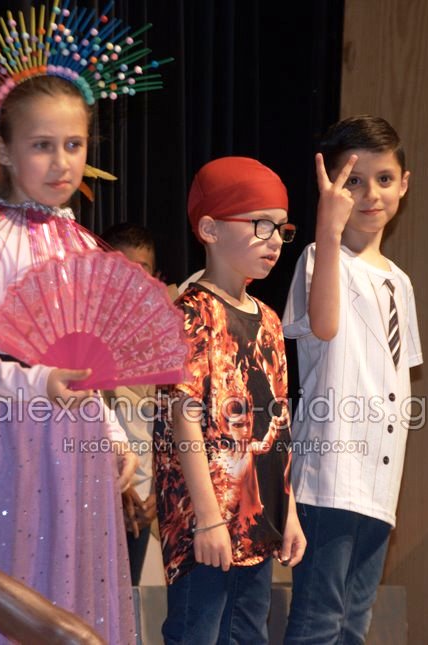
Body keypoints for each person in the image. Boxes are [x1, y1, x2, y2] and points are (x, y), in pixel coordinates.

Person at [0, 74, 142, 644]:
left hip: (76, 447)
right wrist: (35, 382)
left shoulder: (83, 246)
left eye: (73, 144)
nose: (61, 162)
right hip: (5, 442)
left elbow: (87, 367)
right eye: (42, 145)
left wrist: (114, 435)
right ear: (4, 150)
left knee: (70, 596)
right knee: (7, 595)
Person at [281, 115, 423, 644]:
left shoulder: (400, 282)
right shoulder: (322, 258)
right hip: (331, 474)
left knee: (354, 626)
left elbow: (398, 379)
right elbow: (324, 326)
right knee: (319, 622)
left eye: (383, 179)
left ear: (404, 184)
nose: (370, 194)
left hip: (380, 482)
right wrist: (327, 227)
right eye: (354, 181)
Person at [154, 156, 306, 644]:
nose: (274, 240)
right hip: (207, 522)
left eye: (281, 229)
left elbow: (278, 425)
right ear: (210, 228)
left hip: (256, 518)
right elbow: (183, 419)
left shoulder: (269, 320)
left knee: (247, 634)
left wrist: (289, 512)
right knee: (197, 631)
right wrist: (207, 518)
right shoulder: (190, 313)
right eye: (260, 224)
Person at [100, 222, 165, 584]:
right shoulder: (85, 338)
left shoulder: (163, 344)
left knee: (128, 598)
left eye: (139, 273)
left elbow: (167, 425)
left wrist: (157, 491)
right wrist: (120, 487)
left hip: (143, 502)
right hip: (98, 492)